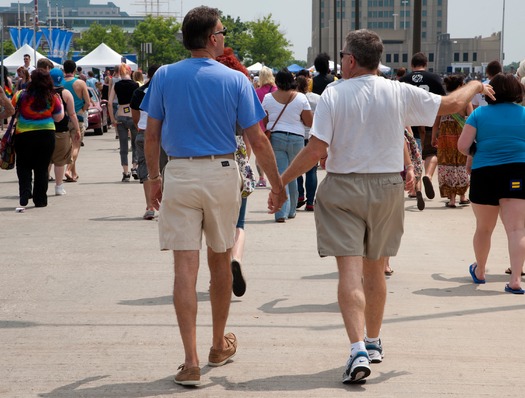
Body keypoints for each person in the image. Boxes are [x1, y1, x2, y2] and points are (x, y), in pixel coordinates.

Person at [276, 29, 494, 384]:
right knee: (375, 270)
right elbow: (452, 103)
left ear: (349, 60)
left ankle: (357, 348)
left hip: (344, 186)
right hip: (388, 187)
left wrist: (281, 182)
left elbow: (316, 150)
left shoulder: (332, 94)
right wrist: (477, 86)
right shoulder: (398, 91)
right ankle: (374, 342)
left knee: (349, 271)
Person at [141, 6, 286, 386]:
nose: (224, 37)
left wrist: (153, 177)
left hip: (180, 172)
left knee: (183, 270)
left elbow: (151, 134)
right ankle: (218, 344)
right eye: (221, 32)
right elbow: (257, 138)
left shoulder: (164, 75)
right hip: (222, 172)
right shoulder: (236, 80)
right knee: (219, 263)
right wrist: (277, 184)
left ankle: (189, 362)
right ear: (211, 38)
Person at [458, 73, 525, 294]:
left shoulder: (478, 114)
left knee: (484, 228)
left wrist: (477, 151)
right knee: (516, 229)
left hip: (485, 172)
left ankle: (480, 271)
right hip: (517, 173)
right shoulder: (524, 114)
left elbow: (463, 145)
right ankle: (515, 279)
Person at [262, 68, 313, 222]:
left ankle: (280, 212)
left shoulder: (268, 98)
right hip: (297, 138)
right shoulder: (301, 98)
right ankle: (291, 211)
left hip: (276, 137)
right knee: (294, 174)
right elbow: (309, 122)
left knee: (280, 175)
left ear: (277, 81)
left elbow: (264, 122)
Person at [11, 69, 64, 207]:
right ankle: (40, 199)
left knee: (23, 165)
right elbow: (58, 118)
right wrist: (61, 107)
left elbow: (12, 111)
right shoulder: (52, 97)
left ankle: (25, 192)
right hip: (46, 134)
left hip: (23, 134)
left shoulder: (20, 95)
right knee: (41, 167)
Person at [400, 52, 446, 201]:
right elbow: (441, 103)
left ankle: (415, 188)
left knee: (414, 155)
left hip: (409, 123)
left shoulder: (403, 80)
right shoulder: (434, 79)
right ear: (426, 64)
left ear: (412, 65)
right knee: (431, 153)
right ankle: (428, 175)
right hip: (429, 121)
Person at [130, 64, 166, 220]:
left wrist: (140, 127)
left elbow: (135, 115)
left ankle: (150, 205)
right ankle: (164, 206)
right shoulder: (166, 91)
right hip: (164, 133)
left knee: (146, 170)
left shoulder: (139, 92)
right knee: (165, 169)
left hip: (144, 132)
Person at [431, 74, 472, 208]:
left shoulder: (444, 100)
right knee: (461, 164)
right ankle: (463, 196)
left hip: (445, 137)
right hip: (461, 136)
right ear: (460, 86)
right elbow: (471, 120)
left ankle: (452, 199)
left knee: (447, 165)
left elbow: (436, 122)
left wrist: (433, 138)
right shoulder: (466, 101)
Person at [49, 68, 81, 196]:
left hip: (45, 129)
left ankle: (43, 183)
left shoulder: (43, 92)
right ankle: (58, 186)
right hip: (61, 130)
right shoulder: (66, 93)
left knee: (46, 159)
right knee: (60, 160)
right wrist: (77, 129)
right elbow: (72, 114)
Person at [108, 63, 139, 181]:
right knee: (136, 144)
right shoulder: (135, 85)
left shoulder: (116, 85)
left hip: (120, 116)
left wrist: (112, 120)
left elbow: (110, 103)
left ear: (119, 73)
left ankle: (125, 172)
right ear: (130, 72)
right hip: (133, 116)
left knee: (123, 146)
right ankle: (135, 167)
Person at [295, 74, 320, 211]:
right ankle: (310, 201)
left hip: (298, 135)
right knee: (311, 171)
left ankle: (299, 194)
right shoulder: (317, 98)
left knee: (297, 168)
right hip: (312, 137)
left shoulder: (292, 98)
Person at [62, 60, 90, 183]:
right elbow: (88, 102)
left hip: (63, 118)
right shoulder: (80, 83)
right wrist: (82, 110)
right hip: (77, 118)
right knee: (76, 147)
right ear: (74, 70)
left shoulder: (60, 83)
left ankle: (74, 173)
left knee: (68, 146)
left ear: (64, 69)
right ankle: (68, 170)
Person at [254, 66, 277, 188]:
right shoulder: (277, 90)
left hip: (260, 127)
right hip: (275, 126)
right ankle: (276, 178)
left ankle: (262, 178)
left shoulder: (256, 92)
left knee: (259, 154)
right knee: (275, 154)